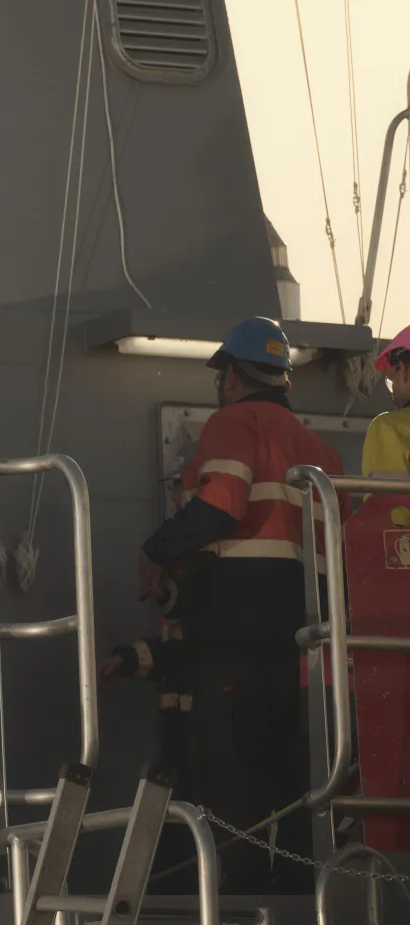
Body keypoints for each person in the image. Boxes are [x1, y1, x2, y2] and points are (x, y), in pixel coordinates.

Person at [133, 316, 344, 892]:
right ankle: (304, 897)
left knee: (229, 777)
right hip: (304, 645)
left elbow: (222, 505)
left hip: (236, 634)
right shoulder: (321, 449)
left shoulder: (233, 422)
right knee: (291, 778)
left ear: (230, 376)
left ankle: (241, 904)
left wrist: (158, 550)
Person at [362, 325, 410, 478]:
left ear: (404, 371)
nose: (393, 394)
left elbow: (386, 502)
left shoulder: (390, 428)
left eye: (391, 382)